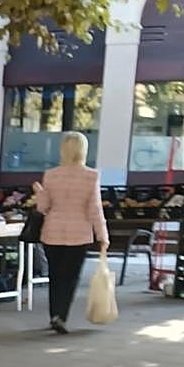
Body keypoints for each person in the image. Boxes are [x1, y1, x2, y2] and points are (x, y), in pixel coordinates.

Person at [32, 131, 109, 334]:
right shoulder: (91, 176)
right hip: (79, 234)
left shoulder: (51, 175)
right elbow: (95, 208)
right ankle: (61, 316)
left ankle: (54, 315)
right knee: (70, 277)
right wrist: (103, 235)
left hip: (52, 232)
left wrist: (40, 192)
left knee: (55, 276)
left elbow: (43, 207)